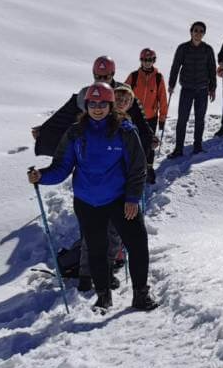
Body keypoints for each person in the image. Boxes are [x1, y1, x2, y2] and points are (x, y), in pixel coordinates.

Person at [28, 82, 158, 312]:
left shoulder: (125, 131)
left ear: (110, 105)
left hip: (119, 199)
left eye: (102, 104)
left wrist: (132, 198)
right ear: (87, 105)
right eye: (93, 103)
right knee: (97, 249)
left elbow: (137, 168)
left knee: (137, 244)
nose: (97, 108)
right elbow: (61, 167)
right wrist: (41, 176)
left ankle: (140, 294)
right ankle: (103, 296)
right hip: (88, 201)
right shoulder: (76, 132)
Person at [34, 55, 157, 183]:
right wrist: (44, 130)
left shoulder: (124, 93)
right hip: (93, 149)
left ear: (113, 73)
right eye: (98, 76)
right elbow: (64, 116)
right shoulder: (85, 94)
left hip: (118, 149)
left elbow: (140, 121)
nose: (101, 80)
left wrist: (150, 138)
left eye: (106, 77)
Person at [167, 22, 217, 156]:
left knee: (200, 119)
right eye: (196, 30)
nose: (198, 33)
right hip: (187, 89)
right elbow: (175, 67)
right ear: (191, 32)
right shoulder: (183, 48)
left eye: (201, 31)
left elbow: (212, 69)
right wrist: (171, 84)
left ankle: (198, 146)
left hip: (202, 89)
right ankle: (178, 149)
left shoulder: (208, 49)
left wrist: (213, 88)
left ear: (204, 34)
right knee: (182, 119)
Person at [126, 48, 168, 137]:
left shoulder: (158, 78)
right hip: (133, 116)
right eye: (144, 60)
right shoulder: (134, 76)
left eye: (150, 60)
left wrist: (162, 118)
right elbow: (123, 94)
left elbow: (163, 98)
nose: (147, 62)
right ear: (141, 60)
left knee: (148, 145)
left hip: (151, 118)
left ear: (154, 61)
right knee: (133, 143)